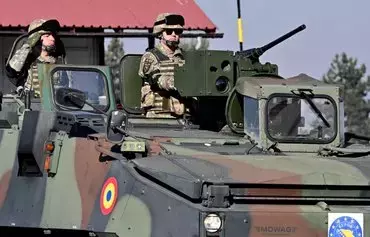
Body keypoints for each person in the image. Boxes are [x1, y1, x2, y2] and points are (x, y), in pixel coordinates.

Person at [138, 13, 187, 118]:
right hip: (159, 115)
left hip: (184, 115)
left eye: (177, 31)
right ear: (160, 34)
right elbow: (157, 79)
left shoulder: (185, 57)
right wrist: (179, 83)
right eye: (169, 31)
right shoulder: (150, 57)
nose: (174, 35)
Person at [5, 18, 66, 98]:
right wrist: (29, 43)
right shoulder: (26, 60)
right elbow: (12, 69)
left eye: (53, 35)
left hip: (53, 106)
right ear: (37, 39)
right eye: (47, 36)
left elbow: (67, 86)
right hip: (30, 104)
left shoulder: (58, 61)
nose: (52, 39)